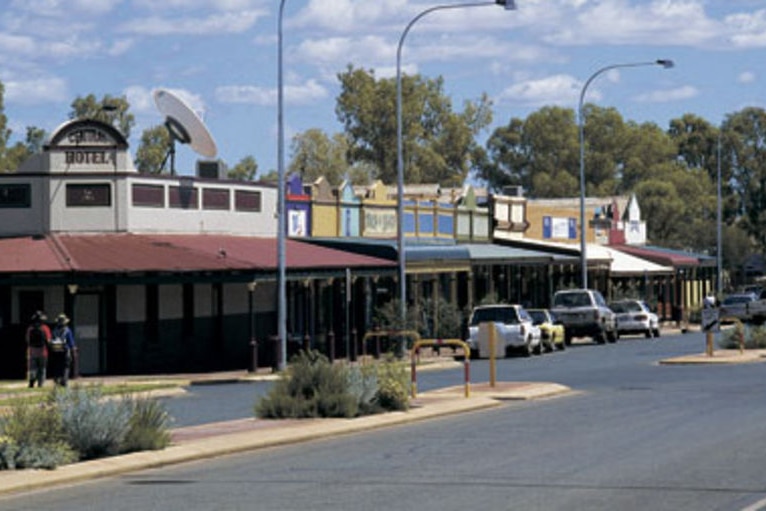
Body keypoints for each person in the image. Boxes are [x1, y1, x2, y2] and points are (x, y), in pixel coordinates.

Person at [26, 311, 51, 388]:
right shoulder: (45, 328)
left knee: (32, 368)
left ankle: (31, 382)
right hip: (43, 351)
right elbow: (49, 340)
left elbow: (27, 340)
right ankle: (41, 383)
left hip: (32, 351)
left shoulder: (30, 328)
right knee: (42, 368)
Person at [50, 313, 76, 386]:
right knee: (66, 366)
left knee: (57, 365)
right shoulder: (67, 330)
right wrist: (73, 349)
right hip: (65, 350)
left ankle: (56, 379)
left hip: (56, 350)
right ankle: (64, 380)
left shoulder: (54, 330)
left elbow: (51, 340)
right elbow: (71, 342)